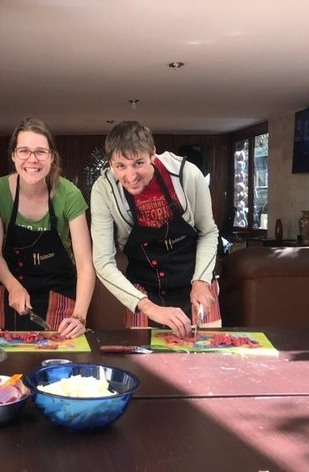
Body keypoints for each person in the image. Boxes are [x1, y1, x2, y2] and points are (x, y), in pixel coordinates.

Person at [90, 121, 219, 337]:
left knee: (210, 358)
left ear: (153, 155)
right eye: (120, 166)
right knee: (142, 362)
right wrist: (148, 307)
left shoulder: (187, 174)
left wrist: (201, 280)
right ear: (111, 164)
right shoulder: (103, 190)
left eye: (138, 163)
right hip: (142, 288)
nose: (130, 176)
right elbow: (102, 261)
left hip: (195, 279)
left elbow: (209, 232)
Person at [0, 118, 94, 338]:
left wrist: (80, 316)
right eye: (24, 151)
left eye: (41, 152)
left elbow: (85, 264)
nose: (32, 160)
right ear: (13, 155)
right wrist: (13, 286)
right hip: (10, 294)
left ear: (51, 157)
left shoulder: (69, 195)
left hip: (59, 296)